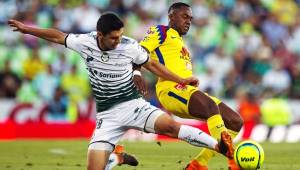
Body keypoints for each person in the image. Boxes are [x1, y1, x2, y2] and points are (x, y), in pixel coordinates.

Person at [8, 12, 234, 170]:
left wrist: (181, 79)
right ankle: (115, 159)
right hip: (107, 116)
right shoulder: (84, 42)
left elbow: (152, 65)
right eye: (113, 37)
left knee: (171, 127)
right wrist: (27, 29)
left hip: (134, 106)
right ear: (100, 34)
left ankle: (219, 146)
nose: (118, 41)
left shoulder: (129, 46)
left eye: (120, 35)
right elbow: (58, 36)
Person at [137, 2, 244, 170]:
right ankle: (233, 161)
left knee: (235, 121)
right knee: (210, 107)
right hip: (170, 90)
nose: (188, 21)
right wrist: (136, 73)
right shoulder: (161, 31)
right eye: (184, 17)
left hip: (185, 89)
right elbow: (139, 52)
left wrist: (187, 79)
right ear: (171, 17)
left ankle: (198, 164)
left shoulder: (179, 41)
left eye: (191, 19)